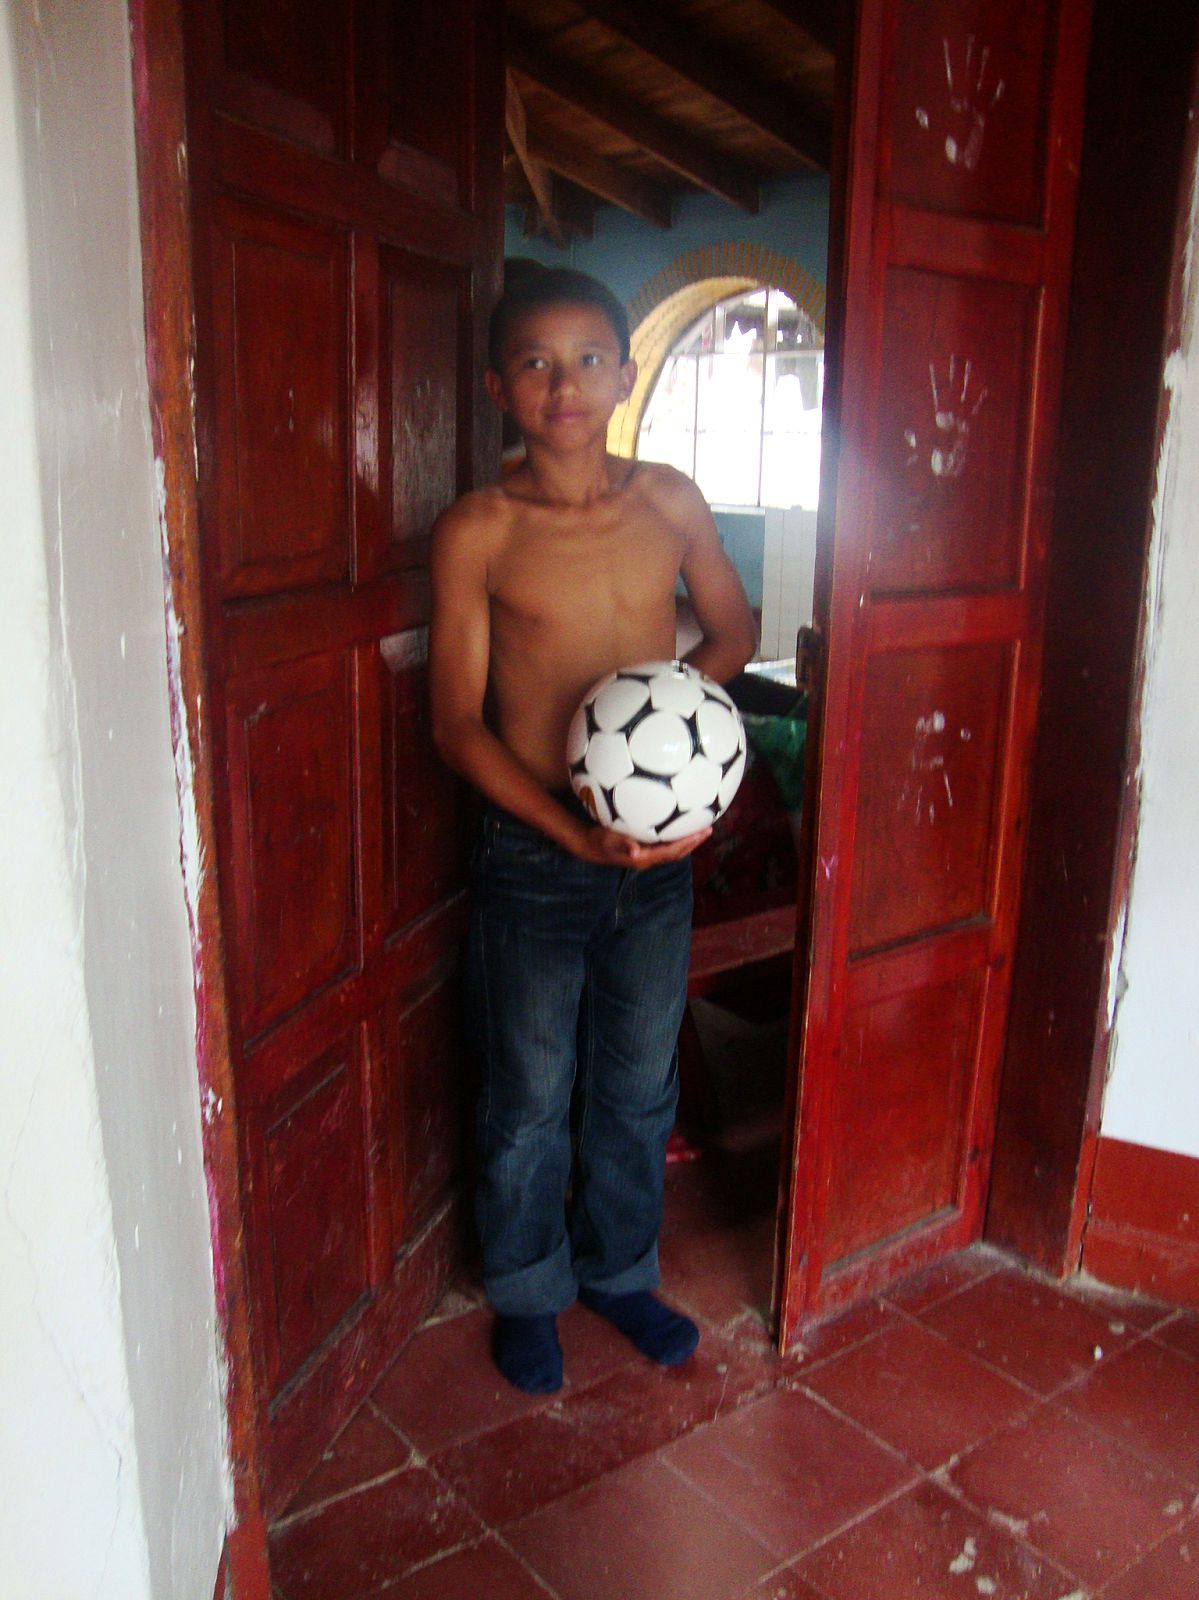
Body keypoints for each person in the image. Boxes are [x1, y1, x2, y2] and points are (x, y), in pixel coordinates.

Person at [428, 267, 756, 1394]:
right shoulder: (479, 529)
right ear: (497, 387)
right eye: (533, 362)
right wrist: (570, 831)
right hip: (533, 853)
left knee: (637, 1082)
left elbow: (730, 630)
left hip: (657, 859)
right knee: (526, 1091)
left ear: (623, 374)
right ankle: (528, 1289)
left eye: (584, 360)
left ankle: (618, 1272)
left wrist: (669, 744)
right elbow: (456, 725)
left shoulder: (668, 501)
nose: (562, 385)